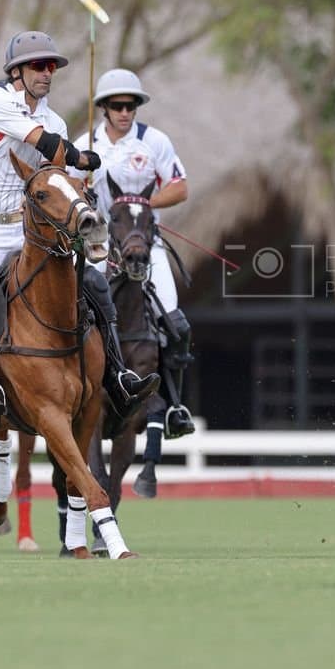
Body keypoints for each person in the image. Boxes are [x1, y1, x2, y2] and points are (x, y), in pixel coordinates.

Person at [0, 31, 160, 431]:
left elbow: (55, 177)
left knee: (94, 283)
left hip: (29, 227)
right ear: (16, 72)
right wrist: (82, 155)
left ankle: (118, 376)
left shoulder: (55, 118)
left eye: (51, 66)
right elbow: (47, 145)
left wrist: (79, 187)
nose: (47, 73)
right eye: (38, 66)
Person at [75, 68, 196, 440]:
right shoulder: (86, 144)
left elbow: (180, 187)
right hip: (101, 247)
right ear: (104, 109)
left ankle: (174, 406)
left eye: (131, 105)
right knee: (77, 315)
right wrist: (85, 191)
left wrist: (141, 202)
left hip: (145, 246)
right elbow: (70, 188)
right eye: (117, 106)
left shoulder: (154, 141)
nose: (125, 112)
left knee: (174, 322)